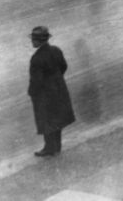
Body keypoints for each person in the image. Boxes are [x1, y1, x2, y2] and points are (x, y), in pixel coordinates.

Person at [28, 26, 75, 157]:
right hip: (59, 90)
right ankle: (57, 146)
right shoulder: (56, 50)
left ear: (39, 41)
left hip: (45, 95)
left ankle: (49, 148)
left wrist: (32, 92)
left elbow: (36, 81)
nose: (32, 41)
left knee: (46, 121)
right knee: (57, 119)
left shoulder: (37, 58)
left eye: (33, 39)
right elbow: (63, 66)